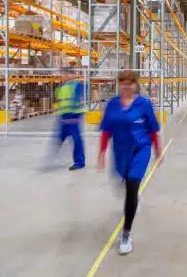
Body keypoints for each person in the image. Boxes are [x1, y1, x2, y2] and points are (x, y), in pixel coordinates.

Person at [97, 70, 161, 255]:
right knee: (123, 184)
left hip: (141, 150)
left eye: (130, 82)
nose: (126, 85)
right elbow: (106, 130)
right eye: (123, 82)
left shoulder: (144, 104)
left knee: (132, 186)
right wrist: (102, 152)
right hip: (120, 151)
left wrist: (157, 150)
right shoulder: (112, 105)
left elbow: (152, 129)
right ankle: (133, 197)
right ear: (119, 84)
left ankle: (126, 234)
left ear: (136, 85)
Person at [51, 68, 85, 171]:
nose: (65, 76)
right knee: (59, 138)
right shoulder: (60, 89)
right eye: (63, 74)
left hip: (74, 116)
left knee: (76, 139)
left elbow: (80, 95)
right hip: (63, 117)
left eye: (68, 74)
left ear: (73, 75)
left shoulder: (77, 85)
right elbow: (59, 103)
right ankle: (49, 158)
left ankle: (79, 162)